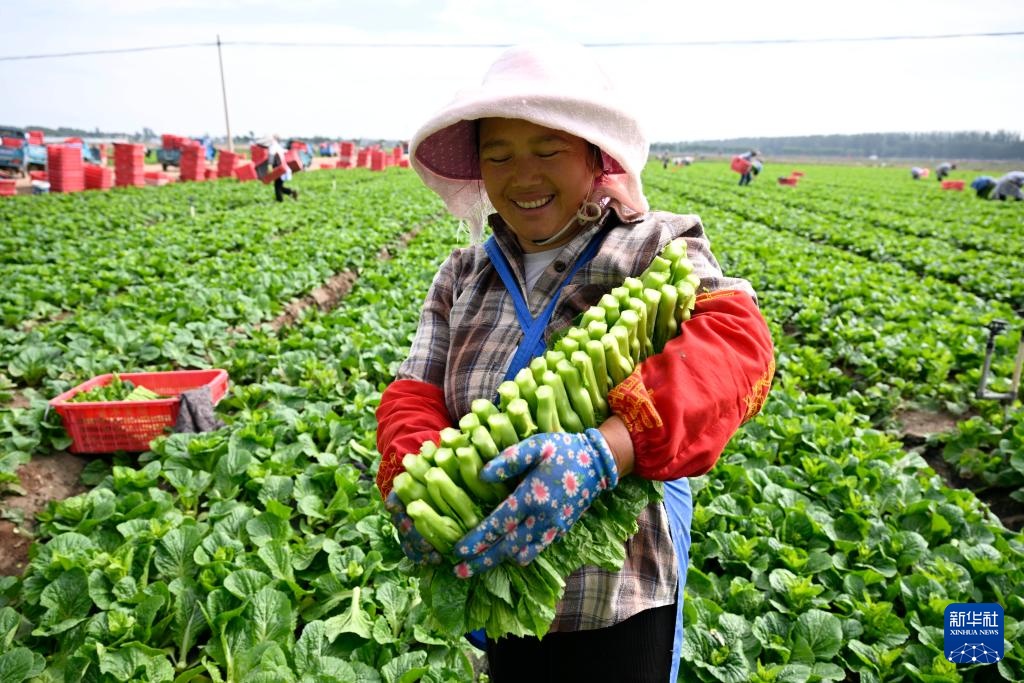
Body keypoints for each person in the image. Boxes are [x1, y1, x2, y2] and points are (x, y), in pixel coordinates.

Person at [373, 44, 775, 683]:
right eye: (498, 154)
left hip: (618, 594)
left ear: (594, 155)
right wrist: (417, 476)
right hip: (496, 573)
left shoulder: (654, 247)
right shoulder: (463, 274)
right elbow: (414, 388)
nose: (522, 175)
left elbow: (734, 345)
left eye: (547, 149)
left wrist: (604, 450)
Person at [258, 135, 299, 202]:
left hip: (280, 168)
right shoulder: (278, 146)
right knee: (278, 185)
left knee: (277, 186)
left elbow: (271, 155)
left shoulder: (273, 146)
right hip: (283, 168)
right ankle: (290, 193)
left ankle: (283, 198)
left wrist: (270, 164)